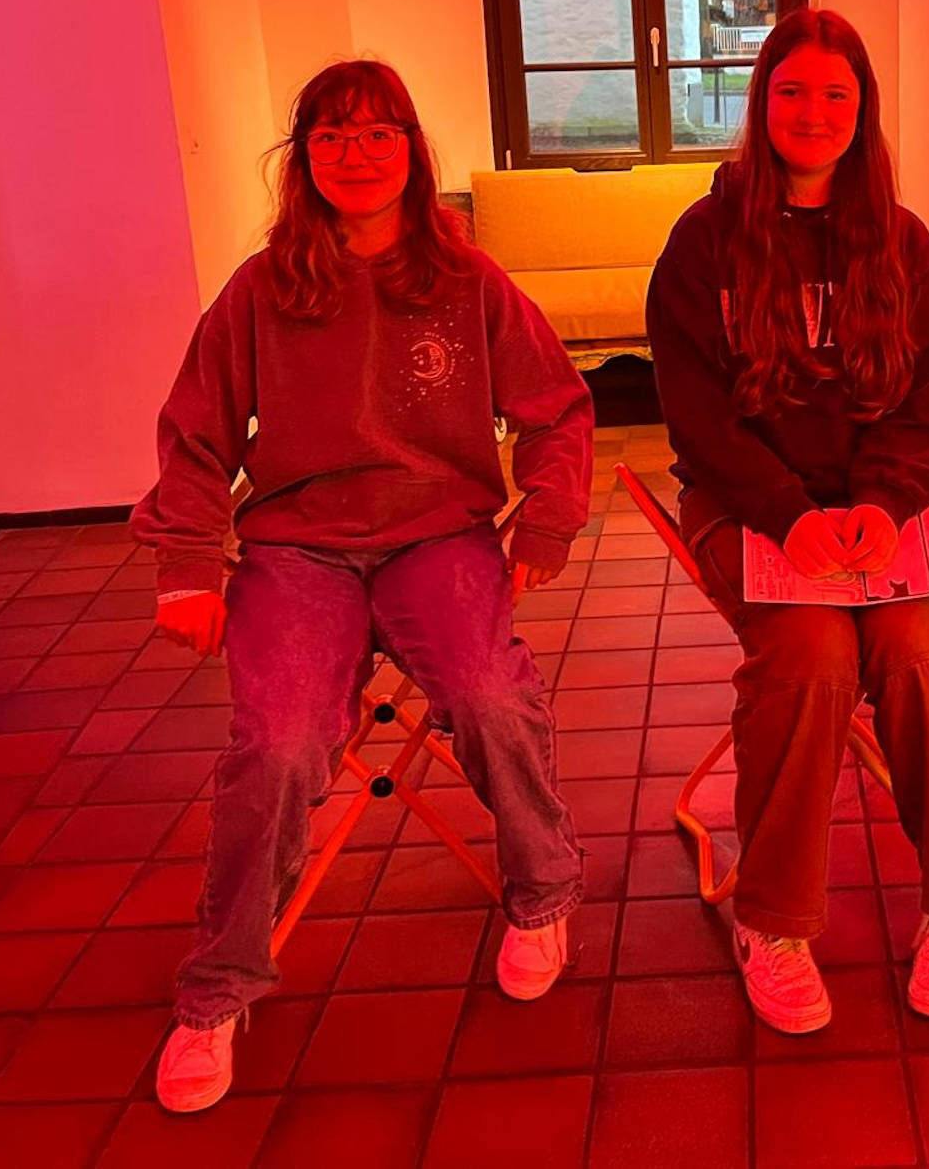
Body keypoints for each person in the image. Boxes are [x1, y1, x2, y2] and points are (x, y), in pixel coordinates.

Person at [133, 61, 594, 1113]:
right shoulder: (261, 289)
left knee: (489, 695)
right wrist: (186, 566)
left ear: (412, 152)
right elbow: (195, 435)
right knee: (278, 743)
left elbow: (558, 409)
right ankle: (219, 986)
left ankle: (543, 890)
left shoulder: (468, 280)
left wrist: (547, 517)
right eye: (333, 136)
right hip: (298, 552)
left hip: (440, 537)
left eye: (379, 133)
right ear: (303, 156)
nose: (356, 154)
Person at [645, 7, 929, 1034]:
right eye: (792, 90)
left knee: (920, 652)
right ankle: (774, 921)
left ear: (862, 109)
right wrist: (787, 513)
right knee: (809, 654)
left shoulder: (901, 238)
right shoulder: (703, 241)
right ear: (761, 103)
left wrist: (884, 504)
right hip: (746, 504)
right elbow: (697, 414)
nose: (813, 111)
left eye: (836, 94)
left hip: (879, 511)